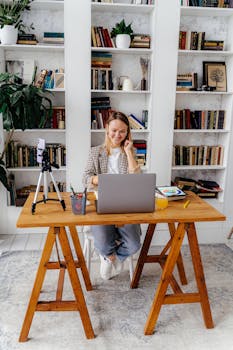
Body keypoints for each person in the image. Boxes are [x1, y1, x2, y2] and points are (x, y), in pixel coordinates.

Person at [82, 111, 142, 280]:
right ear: (107, 129)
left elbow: (136, 180)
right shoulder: (95, 152)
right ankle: (109, 257)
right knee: (101, 240)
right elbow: (85, 178)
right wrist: (97, 179)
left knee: (134, 243)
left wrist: (129, 152)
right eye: (114, 130)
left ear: (127, 133)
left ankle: (110, 257)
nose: (118, 135)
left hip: (125, 204)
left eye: (122, 131)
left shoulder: (130, 152)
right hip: (102, 203)